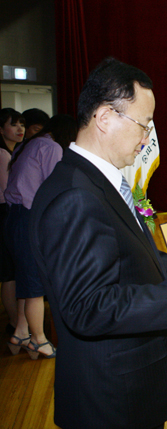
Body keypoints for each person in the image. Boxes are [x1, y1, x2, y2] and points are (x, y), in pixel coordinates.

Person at [29, 58, 167, 429]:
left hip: (127, 389)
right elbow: (87, 307)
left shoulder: (93, 181)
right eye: (144, 125)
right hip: (113, 400)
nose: (146, 139)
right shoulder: (75, 195)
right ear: (105, 117)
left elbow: (125, 259)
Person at [5, 114, 78, 360]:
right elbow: (54, 188)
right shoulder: (51, 147)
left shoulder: (32, 143)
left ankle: (21, 331)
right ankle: (39, 339)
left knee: (25, 279)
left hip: (13, 216)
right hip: (28, 217)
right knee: (35, 283)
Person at [0, 108, 25, 336]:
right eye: (14, 124)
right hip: (4, 214)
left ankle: (17, 322)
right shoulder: (2, 155)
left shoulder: (14, 153)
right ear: (1, 129)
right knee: (8, 273)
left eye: (22, 125)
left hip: (8, 212)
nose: (20, 129)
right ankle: (15, 323)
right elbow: (8, 192)